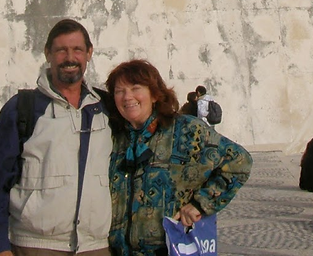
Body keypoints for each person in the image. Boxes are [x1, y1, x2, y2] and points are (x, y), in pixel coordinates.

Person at [0, 19, 111, 256]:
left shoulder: (105, 109)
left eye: (77, 49)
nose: (70, 58)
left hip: (95, 247)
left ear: (89, 53)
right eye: (61, 50)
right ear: (48, 53)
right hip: (37, 246)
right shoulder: (22, 109)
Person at [106, 59, 251, 256]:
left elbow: (239, 161)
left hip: (168, 249)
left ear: (154, 94)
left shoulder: (186, 130)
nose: (127, 96)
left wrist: (200, 204)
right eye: (119, 91)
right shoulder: (114, 138)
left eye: (135, 88)